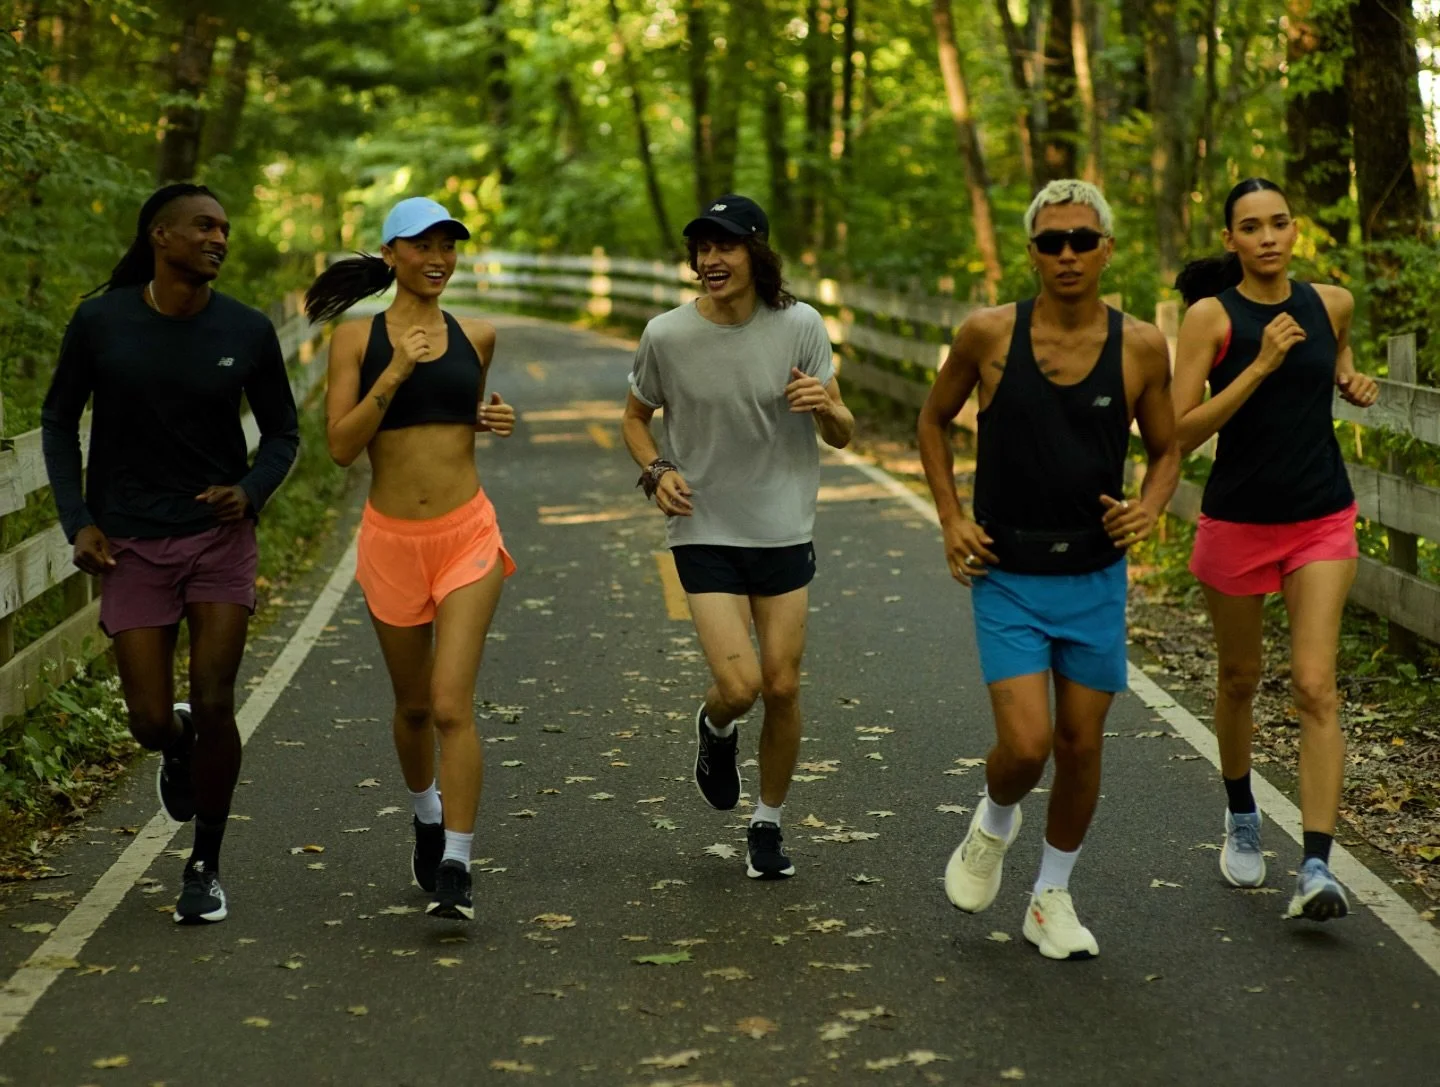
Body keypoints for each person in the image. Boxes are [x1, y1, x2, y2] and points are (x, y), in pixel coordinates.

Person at [917, 179, 1180, 960]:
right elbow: (932, 421)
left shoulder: (1139, 345)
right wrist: (951, 516)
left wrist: (1150, 508)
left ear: (1106, 249)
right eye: (1051, 241)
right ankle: (994, 821)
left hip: (1095, 575)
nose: (1067, 254)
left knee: (1081, 744)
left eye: (1081, 239)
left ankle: (1050, 896)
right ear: (1031, 253)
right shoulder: (987, 335)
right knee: (1027, 746)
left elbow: (1167, 447)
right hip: (1008, 569)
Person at [41, 184, 300, 925]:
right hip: (129, 543)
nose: (219, 237)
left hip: (219, 541)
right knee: (150, 720)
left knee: (218, 698)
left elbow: (284, 432)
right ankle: (177, 744)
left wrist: (250, 490)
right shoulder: (101, 322)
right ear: (161, 235)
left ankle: (204, 866)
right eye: (204, 226)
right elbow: (58, 419)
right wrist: (77, 519)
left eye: (225, 228)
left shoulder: (246, 329)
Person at [621, 194, 854, 880]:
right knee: (741, 683)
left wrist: (829, 406)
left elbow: (842, 432)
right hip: (705, 525)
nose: (710, 260)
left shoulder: (801, 324)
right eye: (702, 249)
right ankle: (715, 725)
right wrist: (655, 468)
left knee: (782, 686)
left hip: (784, 524)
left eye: (724, 246)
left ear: (757, 251)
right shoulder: (666, 335)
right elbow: (635, 419)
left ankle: (767, 822)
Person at [1172, 178, 1379, 922]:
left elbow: (1337, 360)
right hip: (1238, 522)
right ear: (1230, 239)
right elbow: (1180, 429)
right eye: (1250, 227)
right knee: (1238, 678)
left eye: (1279, 223)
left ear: (1296, 231)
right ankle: (1241, 812)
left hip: (1321, 514)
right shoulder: (1211, 318)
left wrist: (1350, 379)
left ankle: (1317, 865)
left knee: (1315, 684)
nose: (1267, 237)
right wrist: (1258, 366)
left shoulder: (1331, 303)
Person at [305, 197, 516, 922]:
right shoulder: (355, 341)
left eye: (449, 245)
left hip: (467, 536)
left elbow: (460, 418)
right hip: (392, 540)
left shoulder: (478, 334)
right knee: (414, 705)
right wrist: (392, 372)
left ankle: (457, 862)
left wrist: (491, 418)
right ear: (390, 254)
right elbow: (339, 447)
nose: (439, 257)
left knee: (453, 703)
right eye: (423, 244)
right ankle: (425, 812)